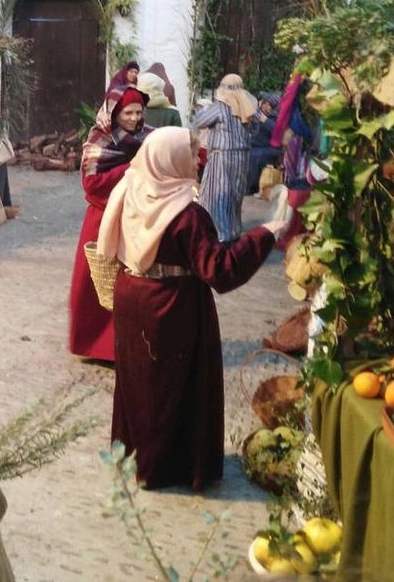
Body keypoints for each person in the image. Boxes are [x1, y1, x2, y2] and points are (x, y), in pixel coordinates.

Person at [96, 126, 286, 490]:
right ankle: (166, 467)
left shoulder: (132, 188)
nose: (198, 158)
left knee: (138, 382)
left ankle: (137, 458)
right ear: (169, 159)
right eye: (191, 151)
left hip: (132, 295)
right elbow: (220, 270)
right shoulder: (186, 214)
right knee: (171, 387)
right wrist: (265, 234)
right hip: (170, 305)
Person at [68, 85, 152, 362]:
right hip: (102, 219)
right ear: (114, 113)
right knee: (96, 282)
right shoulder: (99, 140)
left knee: (128, 285)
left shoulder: (147, 137)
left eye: (139, 112)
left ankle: (124, 346)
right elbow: (91, 185)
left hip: (134, 217)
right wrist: (131, 169)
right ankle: (94, 345)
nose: (134, 118)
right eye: (128, 112)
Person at [189, 74, 257, 241]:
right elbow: (255, 131)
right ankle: (233, 231)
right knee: (235, 194)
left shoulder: (220, 107)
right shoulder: (248, 107)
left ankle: (221, 234)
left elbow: (199, 121)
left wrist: (202, 109)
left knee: (219, 193)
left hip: (222, 156)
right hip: (242, 157)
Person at [247, 92, 283, 194]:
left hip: (270, 148)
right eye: (264, 103)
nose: (266, 107)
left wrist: (266, 121)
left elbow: (278, 133)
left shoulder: (278, 118)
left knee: (254, 156)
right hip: (255, 145)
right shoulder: (256, 114)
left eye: (269, 105)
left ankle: (252, 188)